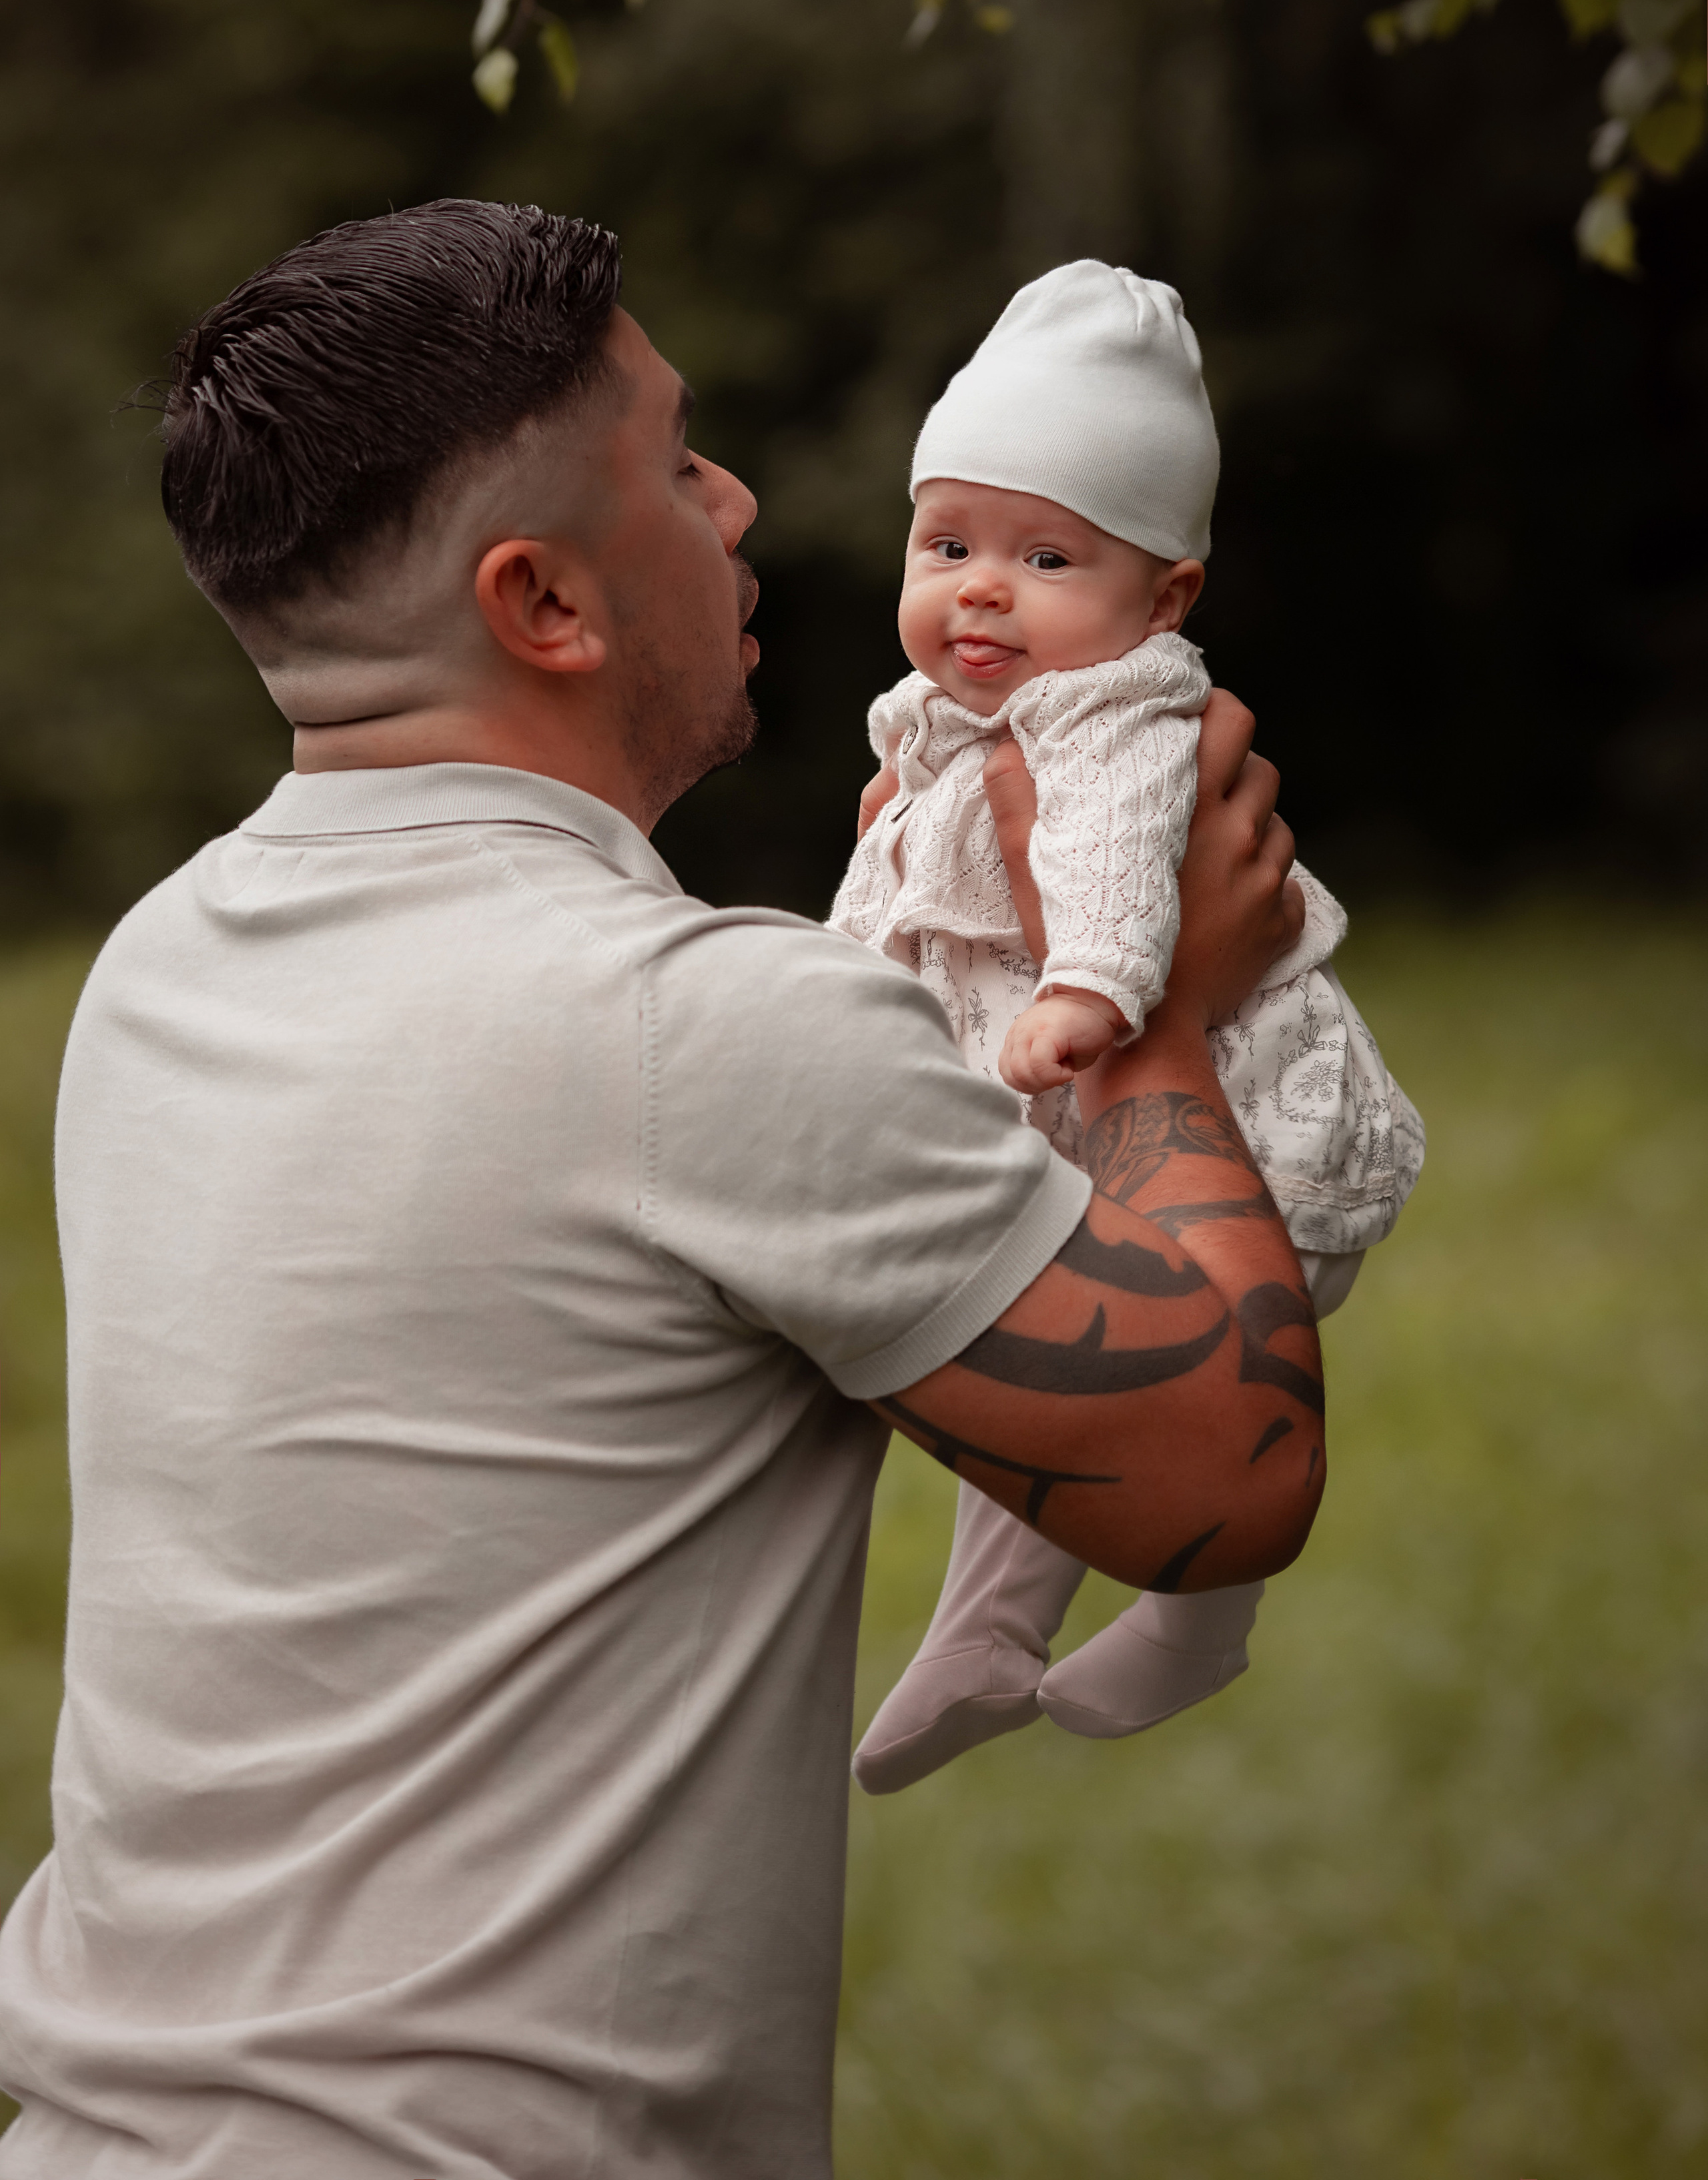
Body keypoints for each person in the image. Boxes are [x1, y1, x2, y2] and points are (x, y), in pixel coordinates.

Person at [0, 201, 1322, 2180]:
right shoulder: (696, 1033)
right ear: (543, 603)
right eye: (677, 463)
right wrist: (1156, 1007)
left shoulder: (155, 970)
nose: (738, 499)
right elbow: (1229, 1479)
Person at [835, 263, 1422, 1794]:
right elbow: (880, 905)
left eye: (1044, 556)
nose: (979, 587)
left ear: (1160, 601)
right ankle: (982, 1633)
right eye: (947, 542)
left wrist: (1095, 988)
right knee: (1062, 1367)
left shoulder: (1117, 711)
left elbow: (1101, 844)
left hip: (1245, 1116)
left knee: (1192, 1366)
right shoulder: (930, 724)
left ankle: (1198, 1616)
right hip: (1105, 1124)